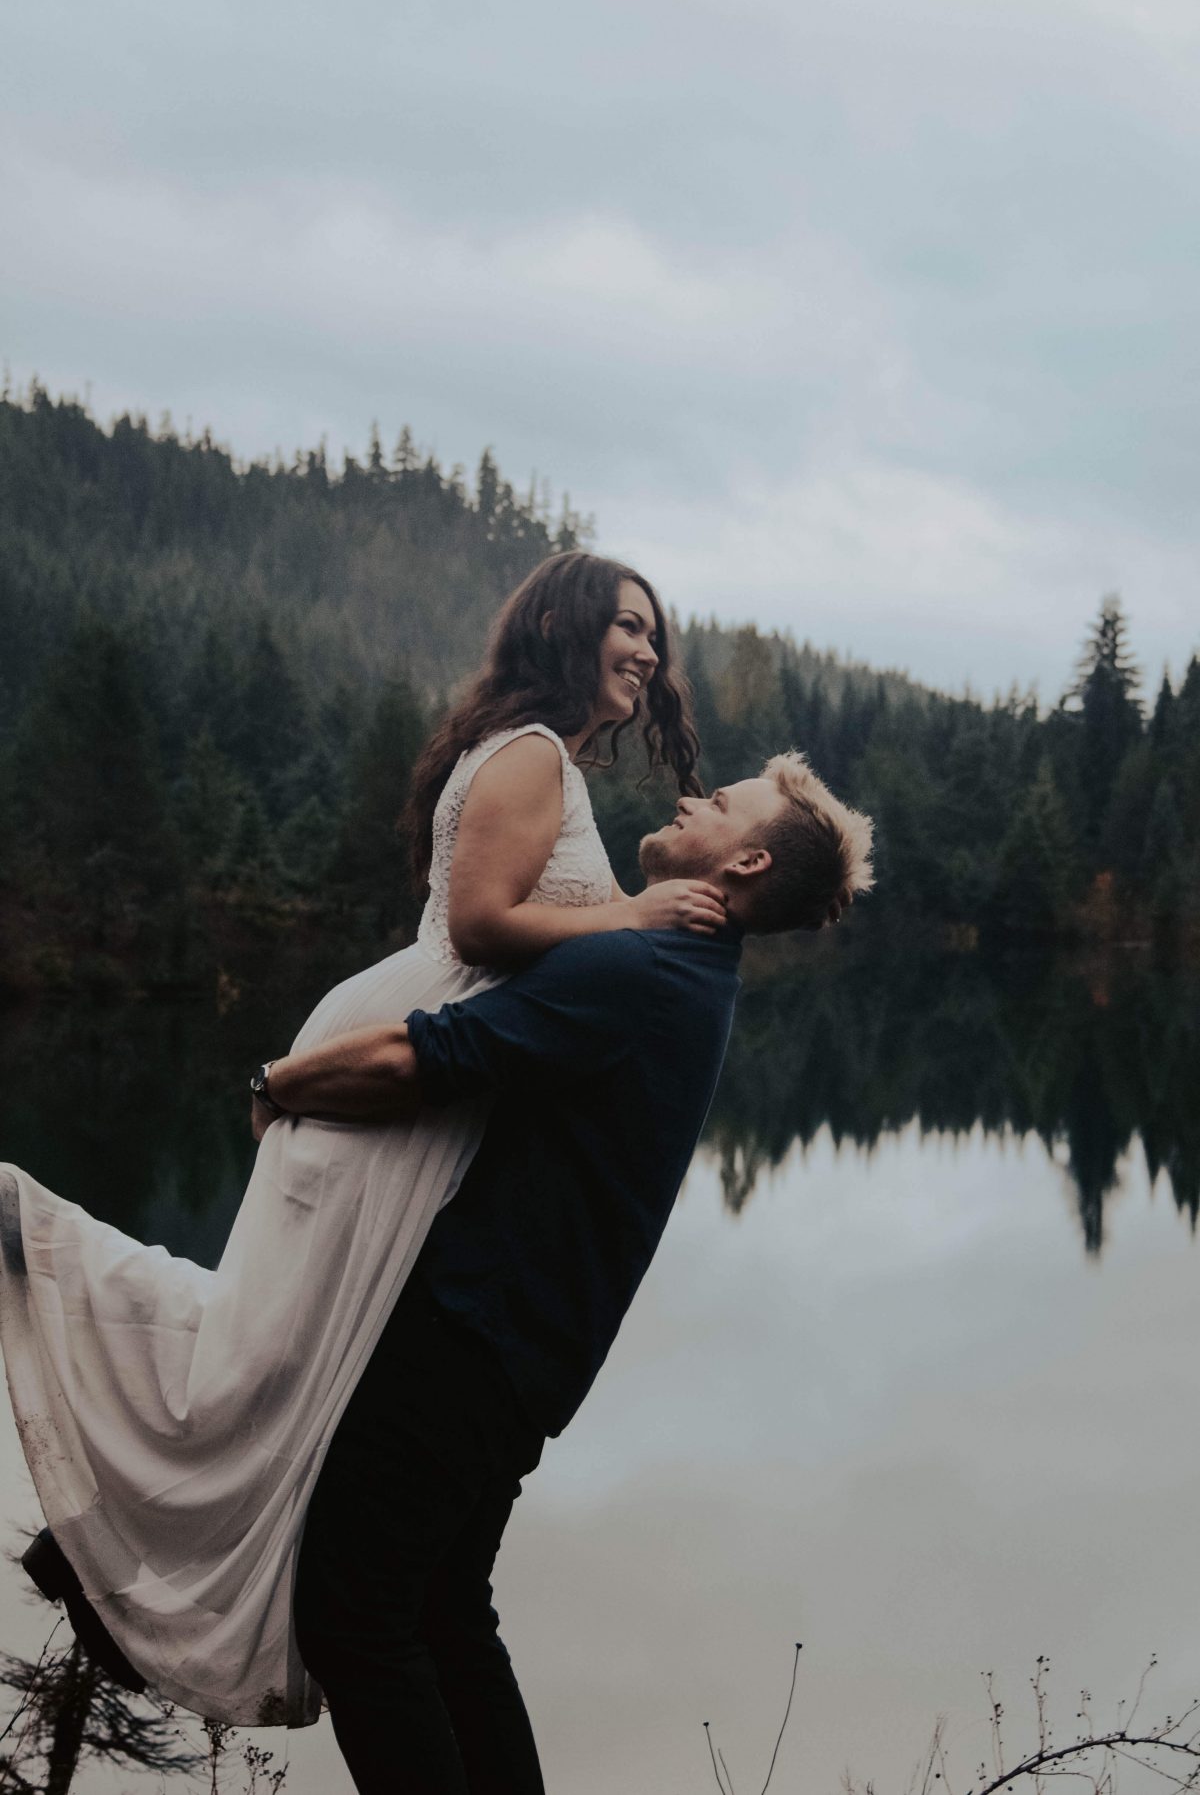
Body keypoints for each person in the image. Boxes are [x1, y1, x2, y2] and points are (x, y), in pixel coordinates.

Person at [0, 552, 721, 1725]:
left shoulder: (543, 758)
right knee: (275, 1339)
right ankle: (54, 1290)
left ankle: (151, 1547)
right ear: (566, 626)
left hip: (431, 1074)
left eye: (656, 634)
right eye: (628, 627)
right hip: (404, 1058)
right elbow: (483, 925)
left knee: (298, 1344)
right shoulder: (536, 754)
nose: (648, 651)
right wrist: (633, 917)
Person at [255, 751, 875, 1794]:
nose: (692, 798)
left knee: (354, 1616)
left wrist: (278, 1080)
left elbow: (425, 1060)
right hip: (522, 1358)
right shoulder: (682, 971)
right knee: (444, 1613)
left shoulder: (640, 973)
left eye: (718, 803)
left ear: (748, 859)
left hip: (471, 1339)